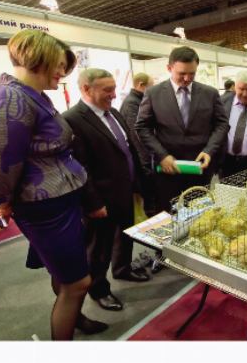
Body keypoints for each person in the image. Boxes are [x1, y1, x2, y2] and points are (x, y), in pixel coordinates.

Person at [0, 29, 106, 340]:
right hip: (44, 206)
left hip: (58, 199)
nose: (63, 71)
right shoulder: (12, 99)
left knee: (65, 276)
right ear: (39, 58)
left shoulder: (31, 95)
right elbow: (2, 160)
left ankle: (74, 316)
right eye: (59, 64)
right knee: (77, 283)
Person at [63, 68, 150, 313]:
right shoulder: (72, 119)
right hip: (101, 199)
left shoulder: (113, 113)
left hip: (125, 191)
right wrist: (93, 203)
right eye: (107, 90)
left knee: (126, 235)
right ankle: (99, 290)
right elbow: (79, 167)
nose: (113, 94)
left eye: (113, 89)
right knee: (99, 249)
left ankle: (122, 269)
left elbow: (128, 150)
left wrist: (138, 184)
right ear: (86, 89)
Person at [136, 46, 229, 212]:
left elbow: (222, 124)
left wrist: (209, 150)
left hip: (199, 167)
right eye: (181, 73)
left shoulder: (209, 93)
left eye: (192, 73)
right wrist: (161, 155)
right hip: (168, 168)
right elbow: (142, 127)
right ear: (169, 68)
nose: (187, 78)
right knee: (169, 213)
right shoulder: (154, 93)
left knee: (199, 213)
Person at [119, 72, 156, 215]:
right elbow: (136, 135)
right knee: (148, 199)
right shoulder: (132, 103)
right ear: (141, 85)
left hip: (145, 159)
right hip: (142, 160)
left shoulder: (138, 100)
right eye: (151, 86)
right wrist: (146, 162)